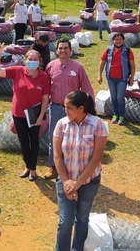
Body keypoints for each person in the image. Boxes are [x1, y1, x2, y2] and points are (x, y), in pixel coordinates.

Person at [53, 90, 108, 251]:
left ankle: (78, 248)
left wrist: (76, 185)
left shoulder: (98, 125)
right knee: (65, 221)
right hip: (65, 181)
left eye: (69, 107)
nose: (65, 111)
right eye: (65, 107)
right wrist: (67, 182)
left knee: (82, 219)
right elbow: (57, 156)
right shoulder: (61, 125)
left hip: (89, 183)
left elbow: (96, 158)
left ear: (81, 108)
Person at [0, 43, 50, 181]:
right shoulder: (18, 71)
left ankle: (33, 170)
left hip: (35, 115)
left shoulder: (44, 77)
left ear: (40, 62)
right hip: (19, 114)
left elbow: (45, 98)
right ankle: (28, 166)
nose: (32, 61)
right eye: (30, 58)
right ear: (25, 60)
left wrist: (41, 116)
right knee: (23, 142)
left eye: (35, 59)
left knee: (34, 142)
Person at [45, 39, 94, 179]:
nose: (63, 50)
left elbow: (86, 88)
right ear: (56, 51)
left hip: (73, 110)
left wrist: (90, 108)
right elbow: (45, 87)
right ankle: (52, 166)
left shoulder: (78, 67)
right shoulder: (50, 66)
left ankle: (70, 167)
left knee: (72, 138)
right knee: (53, 138)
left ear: (70, 51)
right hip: (55, 107)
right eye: (60, 48)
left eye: (66, 48)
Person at [97, 33, 135, 125]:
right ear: (113, 40)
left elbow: (132, 65)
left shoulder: (128, 51)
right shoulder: (108, 50)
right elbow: (102, 63)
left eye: (120, 39)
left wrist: (132, 77)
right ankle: (115, 115)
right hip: (111, 78)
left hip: (122, 78)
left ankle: (121, 116)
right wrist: (99, 75)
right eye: (116, 39)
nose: (118, 41)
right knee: (113, 98)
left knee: (119, 98)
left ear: (123, 40)